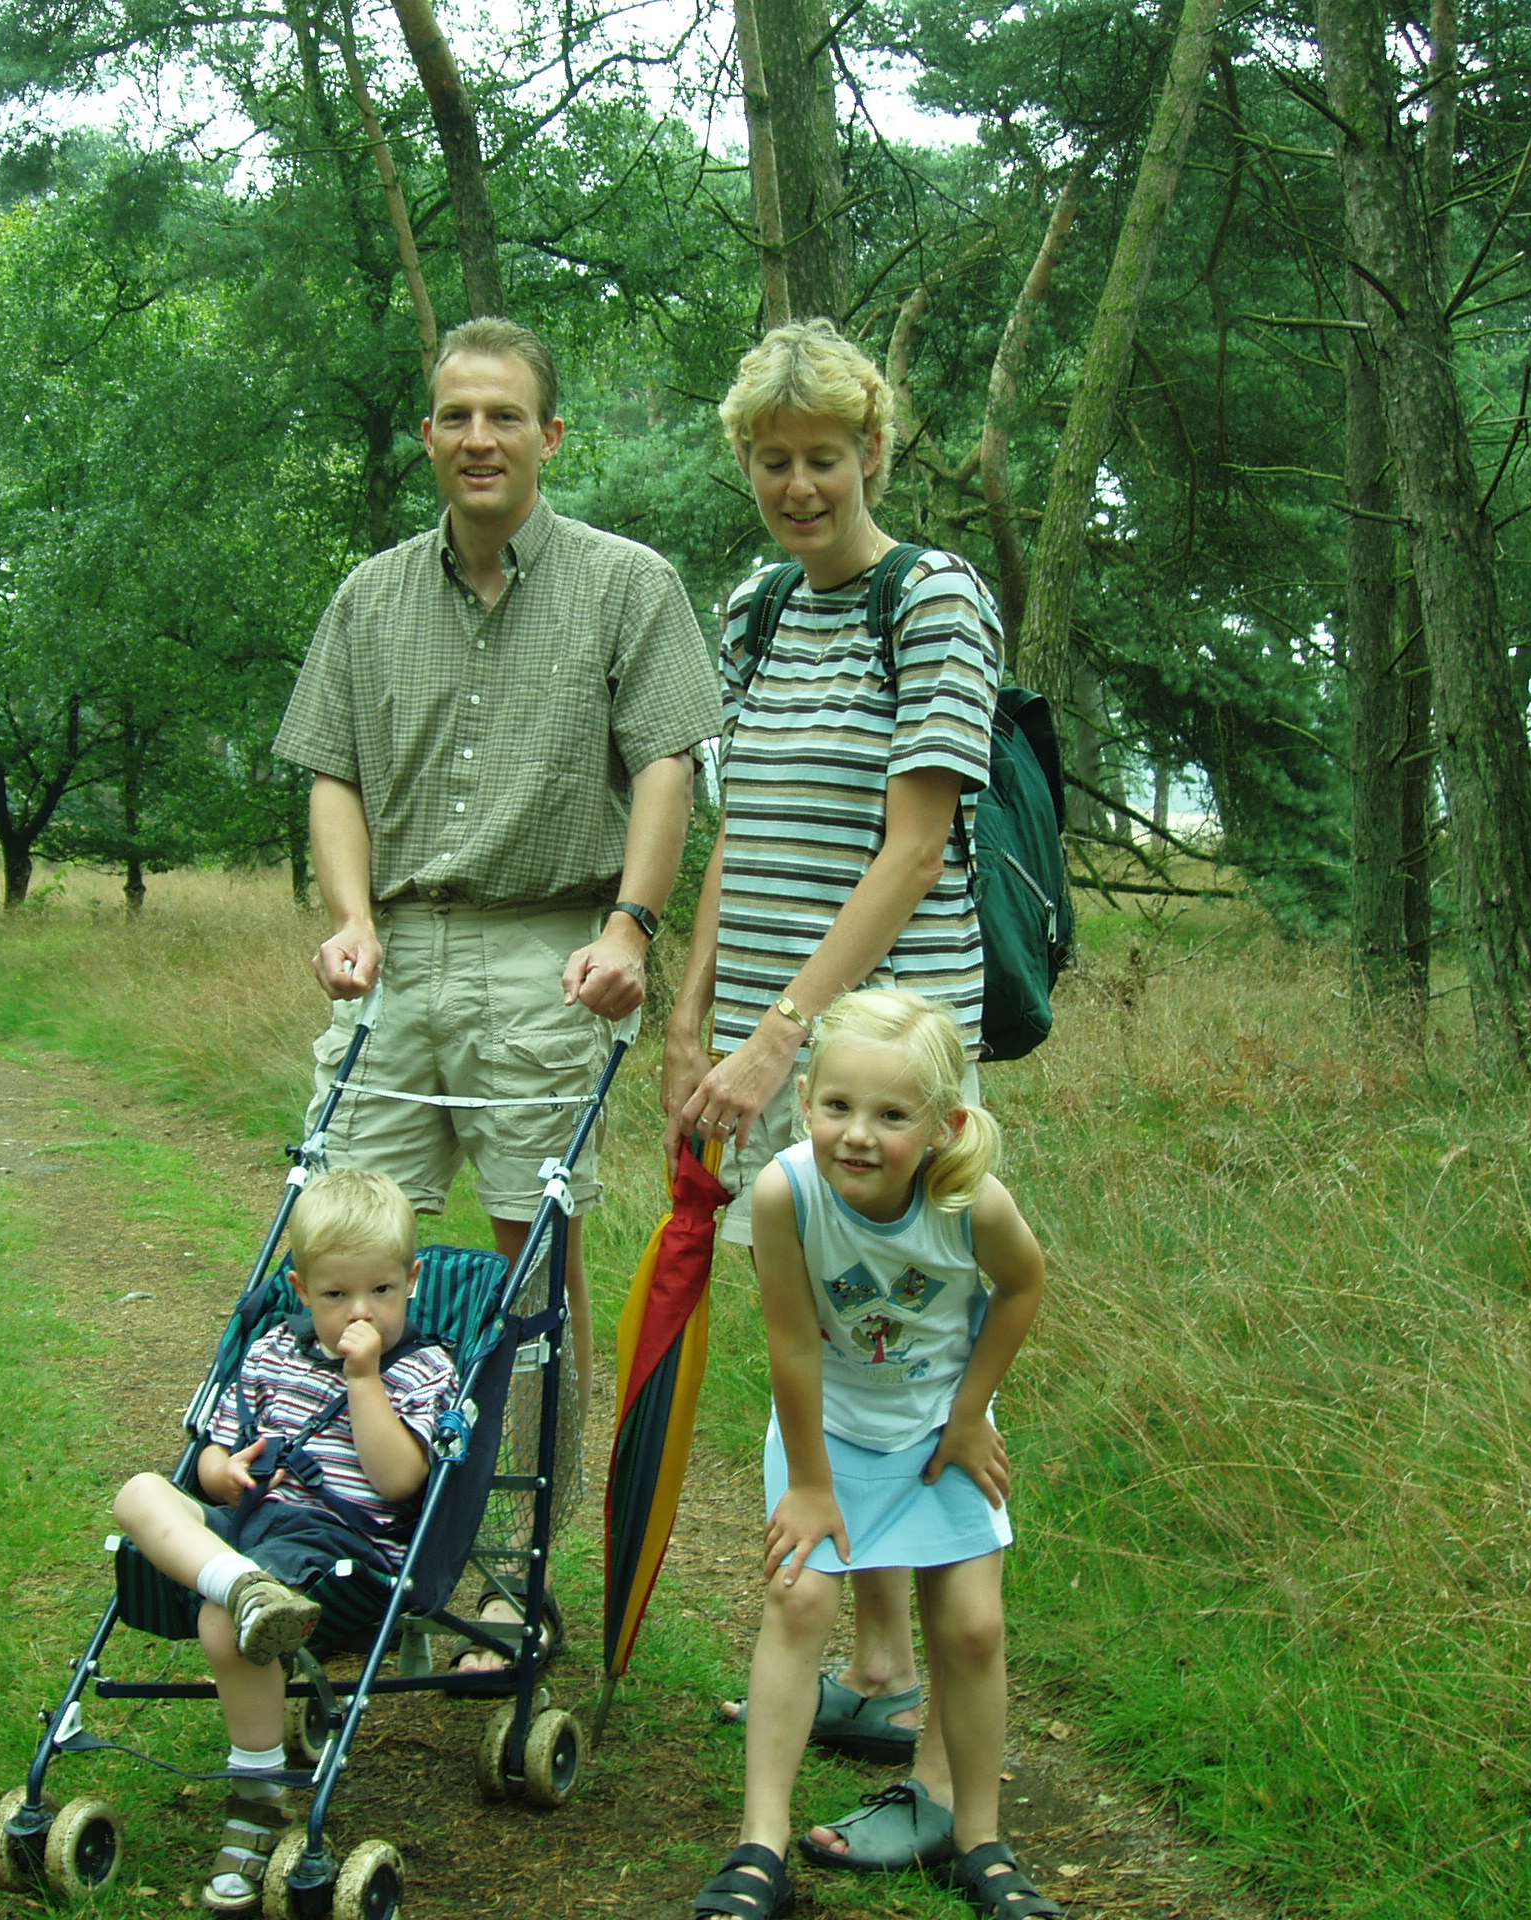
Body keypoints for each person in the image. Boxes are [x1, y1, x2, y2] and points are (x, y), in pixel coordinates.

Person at [273, 315, 719, 1635]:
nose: (480, 439)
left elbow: (667, 765)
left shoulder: (627, 585)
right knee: (341, 1263)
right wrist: (350, 920)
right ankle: (338, 1551)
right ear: (429, 435)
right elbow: (332, 774)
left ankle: (518, 1578)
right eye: (457, 416)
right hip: (395, 960)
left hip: (549, 954)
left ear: (549, 436)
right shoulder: (369, 598)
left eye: (505, 416)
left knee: (530, 1291)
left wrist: (631, 929)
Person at [664, 317, 1004, 1863]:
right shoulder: (752, 608)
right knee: (815, 1324)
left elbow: (917, 844)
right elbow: (739, 830)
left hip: (882, 1050)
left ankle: (942, 1757)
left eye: (824, 456)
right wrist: (695, 1019)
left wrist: (782, 1037)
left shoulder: (933, 598)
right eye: (773, 459)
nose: (800, 486)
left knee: (915, 1339)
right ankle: (870, 1668)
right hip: (765, 1046)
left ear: (874, 449)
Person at [690, 990, 1054, 1920]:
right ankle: (760, 1844)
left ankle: (980, 1840)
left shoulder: (969, 1202)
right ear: (804, 1099)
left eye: (893, 1116)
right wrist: (811, 1484)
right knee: (799, 1598)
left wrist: (968, 1415)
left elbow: (1023, 1284)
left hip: (939, 1428)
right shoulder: (786, 1193)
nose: (857, 1135)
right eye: (838, 1106)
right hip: (830, 1429)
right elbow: (793, 1344)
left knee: (973, 1627)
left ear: (944, 1126)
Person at [110, 1170, 456, 1917]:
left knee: (222, 1621)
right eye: (336, 1295)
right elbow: (215, 1453)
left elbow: (399, 1479)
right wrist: (222, 1471)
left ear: (412, 1282)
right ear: (300, 1291)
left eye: (381, 1291)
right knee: (139, 1492)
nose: (360, 1312)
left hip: (345, 1551)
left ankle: (258, 1802)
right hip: (254, 1529)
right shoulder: (271, 1351)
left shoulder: (424, 1369)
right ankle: (240, 1587)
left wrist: (364, 1379)